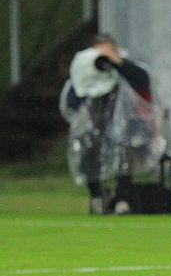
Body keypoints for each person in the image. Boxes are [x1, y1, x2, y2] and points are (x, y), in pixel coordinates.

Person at [60, 34, 162, 214]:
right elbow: (71, 107)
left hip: (131, 130)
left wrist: (118, 63)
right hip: (94, 131)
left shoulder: (125, 73)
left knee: (123, 144)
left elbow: (143, 82)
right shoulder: (81, 77)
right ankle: (97, 196)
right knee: (86, 143)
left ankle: (123, 198)